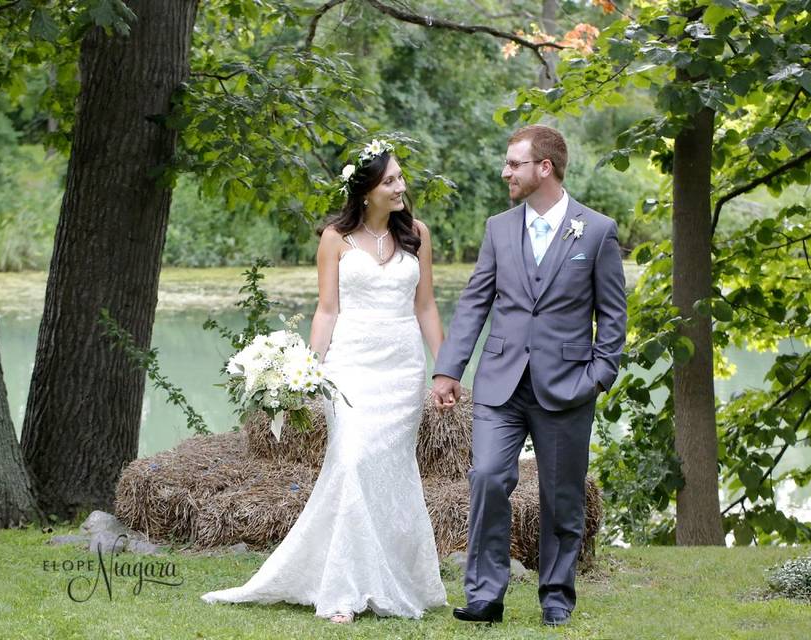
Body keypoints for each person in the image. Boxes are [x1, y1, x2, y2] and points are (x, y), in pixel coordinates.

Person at [202, 139, 448, 623]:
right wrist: (308, 371)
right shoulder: (335, 238)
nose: (401, 187)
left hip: (401, 370)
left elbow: (426, 307)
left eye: (400, 178)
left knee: (392, 474)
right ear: (365, 191)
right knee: (352, 463)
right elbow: (327, 309)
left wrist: (445, 368)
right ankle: (344, 588)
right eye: (390, 180)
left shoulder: (417, 233)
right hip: (351, 368)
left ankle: (394, 579)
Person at [432, 124, 626, 627]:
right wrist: (449, 370)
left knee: (562, 495)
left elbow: (612, 316)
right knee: (488, 477)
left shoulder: (597, 231)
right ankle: (484, 595)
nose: (505, 172)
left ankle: (557, 597)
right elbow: (476, 299)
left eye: (513, 163)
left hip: (566, 387)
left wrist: (598, 376)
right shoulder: (499, 228)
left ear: (545, 168)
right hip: (500, 380)